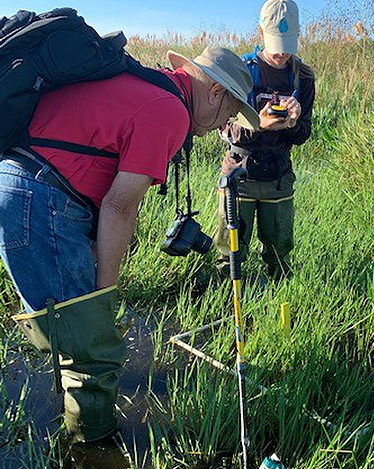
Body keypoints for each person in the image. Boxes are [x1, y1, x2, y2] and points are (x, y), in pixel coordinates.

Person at [0, 46, 259, 443]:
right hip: (38, 199)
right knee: (92, 344)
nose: (218, 127)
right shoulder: (169, 112)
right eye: (227, 115)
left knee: (70, 325)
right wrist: (104, 297)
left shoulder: (146, 85)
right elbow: (119, 207)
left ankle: (74, 400)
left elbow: (87, 158)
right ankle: (93, 445)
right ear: (216, 92)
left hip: (25, 188)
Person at [215, 0, 315, 281]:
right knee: (230, 254)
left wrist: (293, 123)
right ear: (260, 32)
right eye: (276, 42)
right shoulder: (240, 69)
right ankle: (227, 305)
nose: (283, 52)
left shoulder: (303, 77)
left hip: (279, 178)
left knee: (280, 256)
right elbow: (224, 129)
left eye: (288, 43)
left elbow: (303, 134)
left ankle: (280, 301)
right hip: (238, 176)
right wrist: (259, 124)